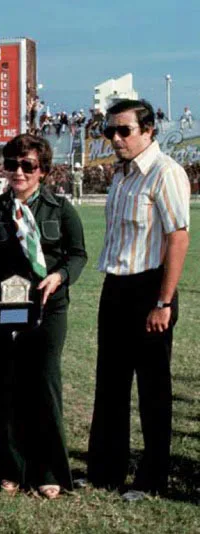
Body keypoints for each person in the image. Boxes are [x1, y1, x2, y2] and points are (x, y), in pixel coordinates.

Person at [0, 133, 87, 499]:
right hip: (6, 308)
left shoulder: (60, 208)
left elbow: (77, 254)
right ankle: (11, 467)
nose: (18, 172)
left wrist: (59, 276)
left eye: (27, 166)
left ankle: (48, 468)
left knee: (44, 383)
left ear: (43, 171)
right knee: (7, 384)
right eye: (12, 165)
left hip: (48, 306)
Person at [88, 99, 190, 500]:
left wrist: (163, 302)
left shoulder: (165, 173)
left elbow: (178, 236)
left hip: (150, 288)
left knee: (153, 390)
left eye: (124, 130)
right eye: (110, 131)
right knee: (110, 385)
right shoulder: (122, 175)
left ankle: (151, 480)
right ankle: (105, 472)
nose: (115, 138)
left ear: (148, 131)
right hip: (116, 285)